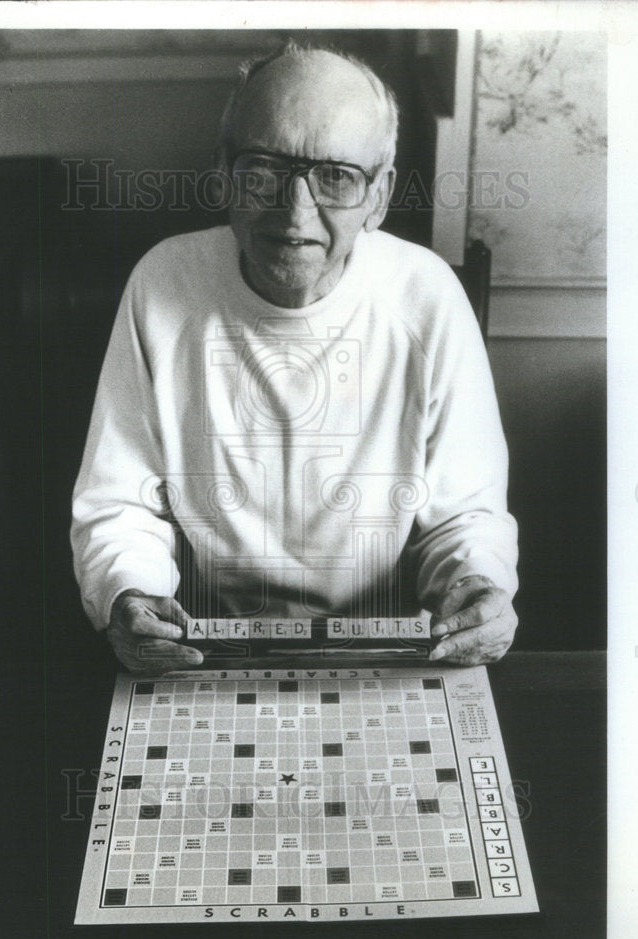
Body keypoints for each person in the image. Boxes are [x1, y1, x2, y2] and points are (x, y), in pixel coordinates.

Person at [71, 42, 518, 676]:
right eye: (264, 170)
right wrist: (130, 595)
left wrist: (478, 586)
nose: (294, 210)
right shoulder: (162, 282)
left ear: (380, 196)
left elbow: (466, 512)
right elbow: (121, 501)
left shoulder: (428, 296)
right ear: (225, 173)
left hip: (386, 643)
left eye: (336, 176)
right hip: (203, 642)